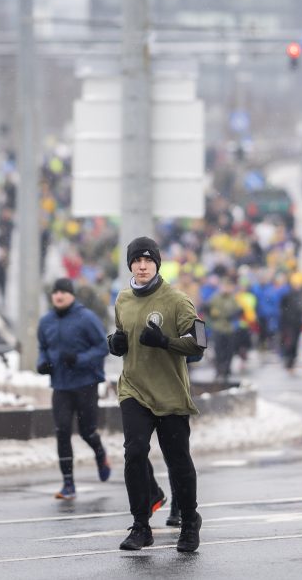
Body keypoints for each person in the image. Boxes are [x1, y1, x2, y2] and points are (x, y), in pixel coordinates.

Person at [107, 236, 207, 552]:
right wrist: (114, 343)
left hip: (170, 393)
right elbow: (121, 333)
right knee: (134, 451)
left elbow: (200, 343)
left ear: (157, 263)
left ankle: (190, 522)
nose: (142, 266)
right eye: (137, 261)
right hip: (134, 388)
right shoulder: (122, 299)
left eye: (148, 260)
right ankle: (141, 525)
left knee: (177, 460)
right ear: (130, 265)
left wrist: (166, 342)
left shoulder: (178, 300)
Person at [36, 277, 111, 500]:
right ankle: (68, 484)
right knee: (62, 432)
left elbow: (102, 347)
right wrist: (42, 363)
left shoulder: (86, 318)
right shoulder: (46, 321)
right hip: (60, 385)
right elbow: (43, 347)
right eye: (55, 292)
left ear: (72, 295)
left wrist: (79, 359)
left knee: (87, 431)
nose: (58, 295)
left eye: (63, 292)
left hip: (85, 383)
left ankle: (100, 454)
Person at [207, 277, 241, 380]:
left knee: (229, 351)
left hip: (229, 328)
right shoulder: (215, 298)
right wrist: (213, 315)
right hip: (218, 327)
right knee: (218, 350)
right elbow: (208, 309)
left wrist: (235, 314)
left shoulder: (233, 298)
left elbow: (238, 310)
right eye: (224, 286)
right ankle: (219, 370)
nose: (226, 289)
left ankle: (227, 369)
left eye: (228, 287)